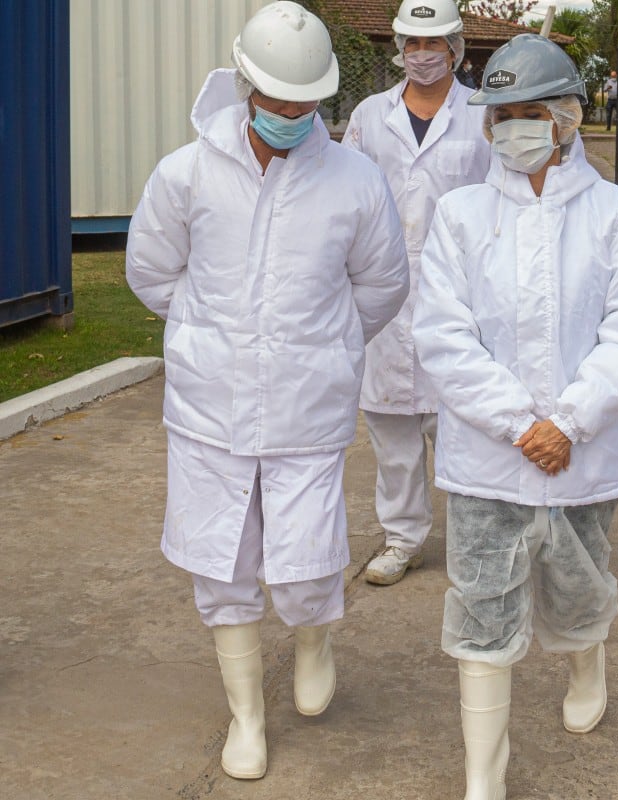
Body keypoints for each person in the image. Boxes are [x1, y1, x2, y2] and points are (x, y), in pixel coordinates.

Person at [125, 1, 408, 781]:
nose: (291, 113)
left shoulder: (353, 178)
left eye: (305, 101)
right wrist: (209, 333)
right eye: (278, 98)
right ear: (245, 83)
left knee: (307, 556)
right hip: (208, 403)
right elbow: (152, 272)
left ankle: (315, 637)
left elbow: (381, 284)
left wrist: (320, 341)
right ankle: (247, 715)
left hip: (308, 400)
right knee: (221, 560)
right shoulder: (185, 173)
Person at [412, 34, 618, 800]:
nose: (514, 129)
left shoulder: (615, 213)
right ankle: (483, 773)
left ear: (568, 118)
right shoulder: (459, 216)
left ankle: (586, 660)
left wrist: (573, 421)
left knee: (579, 579)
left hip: (584, 453)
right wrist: (520, 424)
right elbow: (443, 333)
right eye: (501, 115)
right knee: (482, 603)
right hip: (493, 456)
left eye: (531, 113)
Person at [343, 0, 489, 587]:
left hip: (461, 286)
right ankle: (402, 539)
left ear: (456, 48)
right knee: (392, 430)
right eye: (412, 45)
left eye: (433, 45)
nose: (422, 56)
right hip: (383, 286)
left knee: (464, 424)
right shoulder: (369, 115)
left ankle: (477, 540)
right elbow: (345, 190)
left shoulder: (483, 113)